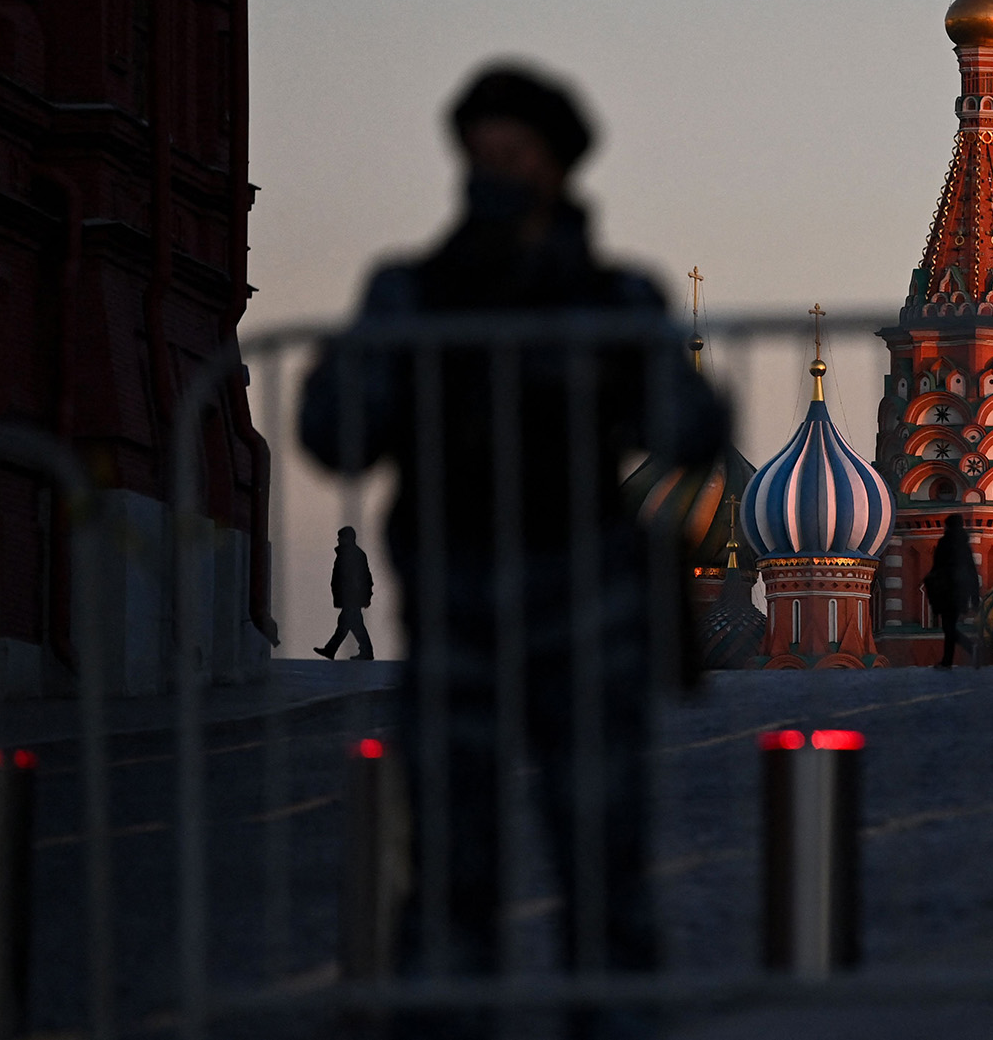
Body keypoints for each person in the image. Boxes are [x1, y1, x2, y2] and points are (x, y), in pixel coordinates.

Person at [299, 62, 728, 1039]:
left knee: (603, 856)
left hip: (587, 610)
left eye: (514, 154)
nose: (492, 172)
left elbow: (689, 425)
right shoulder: (410, 292)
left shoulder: (612, 297)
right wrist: (361, 373)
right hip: (455, 608)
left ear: (555, 167)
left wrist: (633, 379)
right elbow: (337, 433)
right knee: (450, 861)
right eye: (479, 154)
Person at [924, 513, 984, 668]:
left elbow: (937, 567)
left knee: (948, 627)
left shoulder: (945, 543)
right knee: (949, 626)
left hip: (946, 591)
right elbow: (971, 572)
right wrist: (974, 597)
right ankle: (949, 660)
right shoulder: (964, 546)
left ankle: (967, 648)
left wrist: (931, 580)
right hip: (960, 593)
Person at [314, 526, 374, 660]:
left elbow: (365, 577)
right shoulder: (348, 554)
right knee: (347, 624)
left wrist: (365, 595)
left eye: (341, 537)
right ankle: (332, 649)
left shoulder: (353, 555)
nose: (338, 540)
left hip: (352, 597)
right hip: (351, 596)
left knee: (352, 624)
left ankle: (365, 651)